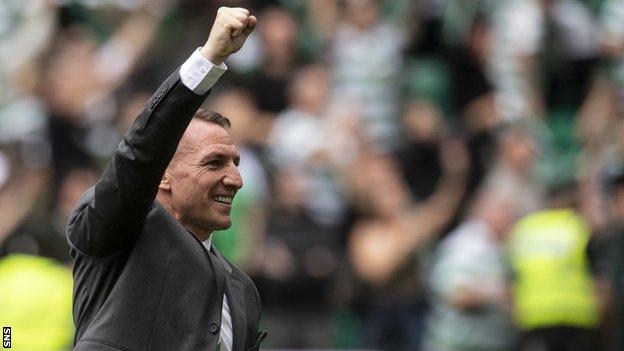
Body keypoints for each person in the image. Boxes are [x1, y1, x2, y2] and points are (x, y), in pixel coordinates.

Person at [66, 7, 266, 351]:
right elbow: (140, 153)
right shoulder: (117, 231)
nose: (235, 179)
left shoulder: (243, 290)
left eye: (235, 163)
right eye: (214, 163)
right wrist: (209, 58)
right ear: (161, 175)